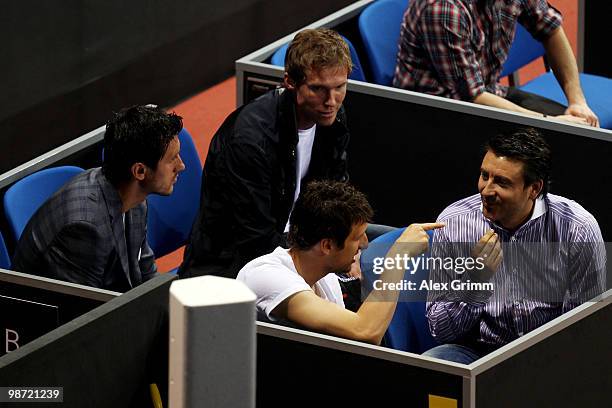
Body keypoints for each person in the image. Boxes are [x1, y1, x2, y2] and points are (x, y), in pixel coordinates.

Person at [180, 28, 369, 281]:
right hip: (236, 270)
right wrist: (332, 261)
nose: (331, 101)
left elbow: (335, 196)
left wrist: (349, 250)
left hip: (304, 246)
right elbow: (256, 241)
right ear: (290, 81)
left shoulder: (332, 119)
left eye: (340, 87)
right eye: (318, 89)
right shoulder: (248, 141)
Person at [424, 127, 605, 363]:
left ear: (534, 189)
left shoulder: (577, 229)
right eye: (484, 175)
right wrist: (475, 282)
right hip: (480, 351)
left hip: (552, 353)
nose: (486, 191)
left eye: (502, 182)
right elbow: (440, 330)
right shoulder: (452, 224)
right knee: (436, 363)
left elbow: (585, 327)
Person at [237, 180, 444, 344]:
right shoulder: (266, 276)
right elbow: (365, 331)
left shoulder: (326, 277)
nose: (364, 245)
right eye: (358, 237)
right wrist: (398, 258)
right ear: (327, 246)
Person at [12, 105, 185, 292]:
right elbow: (83, 313)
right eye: (172, 159)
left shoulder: (135, 198)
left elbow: (145, 276)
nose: (181, 166)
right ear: (140, 171)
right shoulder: (85, 227)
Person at [393, 0, 599, 127]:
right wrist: (548, 122)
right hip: (436, 112)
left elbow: (550, 29)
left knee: (580, 130)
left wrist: (577, 101)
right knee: (561, 140)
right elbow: (471, 96)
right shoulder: (443, 8)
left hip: (488, 92)